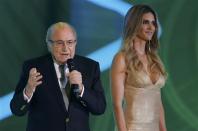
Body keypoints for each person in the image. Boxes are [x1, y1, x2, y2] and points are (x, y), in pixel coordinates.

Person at [10, 22, 106, 131]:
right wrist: (28, 90)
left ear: (75, 43)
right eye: (60, 43)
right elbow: (17, 110)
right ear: (49, 44)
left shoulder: (90, 67)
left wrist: (81, 89)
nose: (65, 48)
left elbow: (100, 108)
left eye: (70, 42)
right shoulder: (33, 67)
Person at [111, 4, 167, 131]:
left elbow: (157, 101)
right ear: (134, 24)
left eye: (153, 23)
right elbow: (117, 104)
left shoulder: (154, 59)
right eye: (145, 22)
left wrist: (163, 129)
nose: (151, 27)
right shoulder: (121, 58)